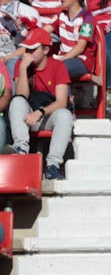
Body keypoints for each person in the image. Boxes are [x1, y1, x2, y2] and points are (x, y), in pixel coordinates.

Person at [8, 28, 73, 179]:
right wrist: (23, 68)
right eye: (27, 48)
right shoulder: (21, 65)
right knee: (17, 101)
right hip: (28, 117)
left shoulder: (58, 66)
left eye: (33, 48)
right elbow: (21, 95)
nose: (28, 52)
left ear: (46, 49)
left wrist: (40, 112)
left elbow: (62, 102)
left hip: (46, 116)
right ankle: (21, 150)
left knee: (65, 115)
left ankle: (52, 165)